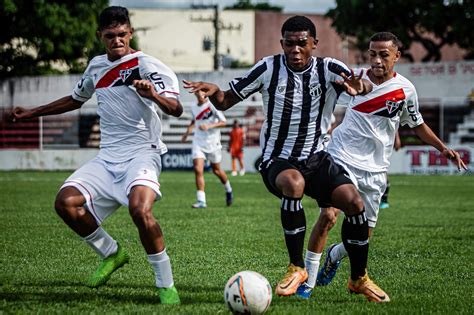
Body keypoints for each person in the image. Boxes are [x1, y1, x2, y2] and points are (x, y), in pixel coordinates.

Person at [183, 15, 389, 302]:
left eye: (302, 44)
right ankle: (296, 267)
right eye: (289, 44)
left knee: (355, 203)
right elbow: (227, 99)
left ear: (314, 44)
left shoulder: (329, 68)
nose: (295, 50)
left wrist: (361, 87)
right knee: (293, 184)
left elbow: (358, 84)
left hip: (317, 160)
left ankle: (358, 279)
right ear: (282, 43)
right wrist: (215, 92)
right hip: (278, 161)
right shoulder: (268, 68)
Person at [10, 6, 184, 304]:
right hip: (108, 157)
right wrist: (33, 112)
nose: (116, 40)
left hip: (143, 153)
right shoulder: (96, 66)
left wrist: (152, 94)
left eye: (121, 34)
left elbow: (176, 109)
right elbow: (75, 99)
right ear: (100, 36)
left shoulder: (146, 64)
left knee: (140, 210)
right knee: (66, 203)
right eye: (109, 36)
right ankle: (111, 253)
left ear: (130, 33)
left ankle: (165, 284)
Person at [302, 32, 467, 298]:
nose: (376, 60)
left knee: (362, 237)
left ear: (397, 56)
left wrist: (443, 148)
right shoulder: (354, 77)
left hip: (376, 170)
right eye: (372, 54)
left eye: (384, 55)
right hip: (341, 156)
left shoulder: (405, 90)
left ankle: (335, 255)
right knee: (329, 216)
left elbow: (417, 125)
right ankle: (306, 284)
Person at [181, 91, 233, 208]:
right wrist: (187, 132)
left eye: (202, 93)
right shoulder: (193, 107)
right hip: (198, 141)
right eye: (198, 93)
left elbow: (223, 122)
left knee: (217, 171)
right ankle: (201, 201)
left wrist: (209, 126)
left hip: (213, 142)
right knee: (198, 169)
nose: (200, 95)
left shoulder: (213, 105)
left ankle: (228, 189)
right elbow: (195, 120)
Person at [380, 131, 401, 209]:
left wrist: (397, 138)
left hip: (381, 141)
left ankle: (384, 200)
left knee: (382, 170)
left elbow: (395, 120)